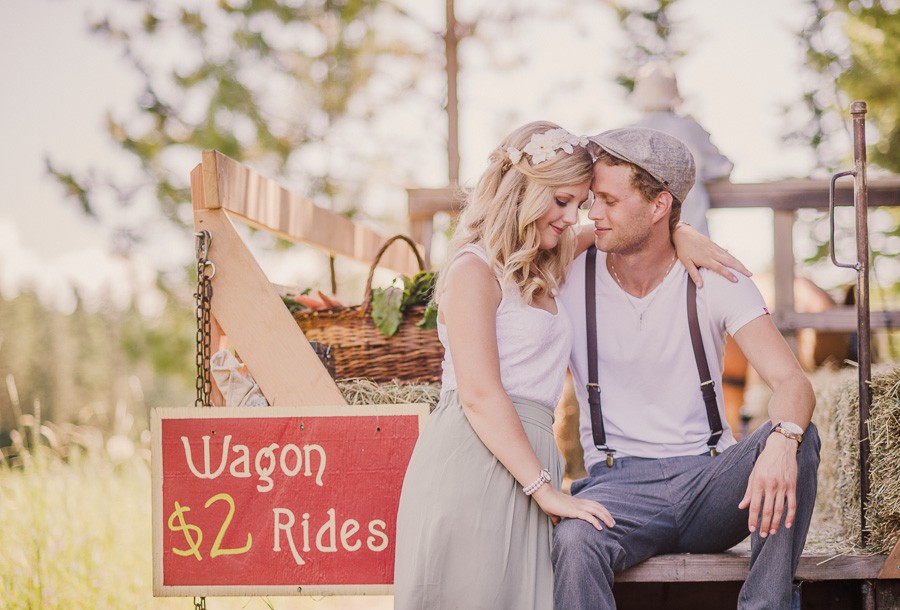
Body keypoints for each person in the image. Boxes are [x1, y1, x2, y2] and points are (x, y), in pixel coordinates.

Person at [393, 121, 745, 610]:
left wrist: (680, 233)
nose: (571, 217)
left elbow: (636, 231)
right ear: (520, 190)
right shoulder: (472, 269)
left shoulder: (545, 261)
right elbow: (478, 393)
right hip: (476, 457)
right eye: (560, 201)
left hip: (529, 458)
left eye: (578, 204)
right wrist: (547, 490)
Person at [552, 127, 820, 609]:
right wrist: (678, 230)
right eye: (593, 199)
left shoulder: (716, 277)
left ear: (658, 206)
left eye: (609, 201)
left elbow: (792, 383)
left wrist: (783, 441)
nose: (592, 213)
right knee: (573, 543)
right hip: (618, 489)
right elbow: (507, 251)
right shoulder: (569, 272)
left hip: (710, 483)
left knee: (798, 436)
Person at [630, 60, 733, 237]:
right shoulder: (690, 129)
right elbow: (722, 168)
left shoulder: (628, 134)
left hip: (643, 237)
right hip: (692, 231)